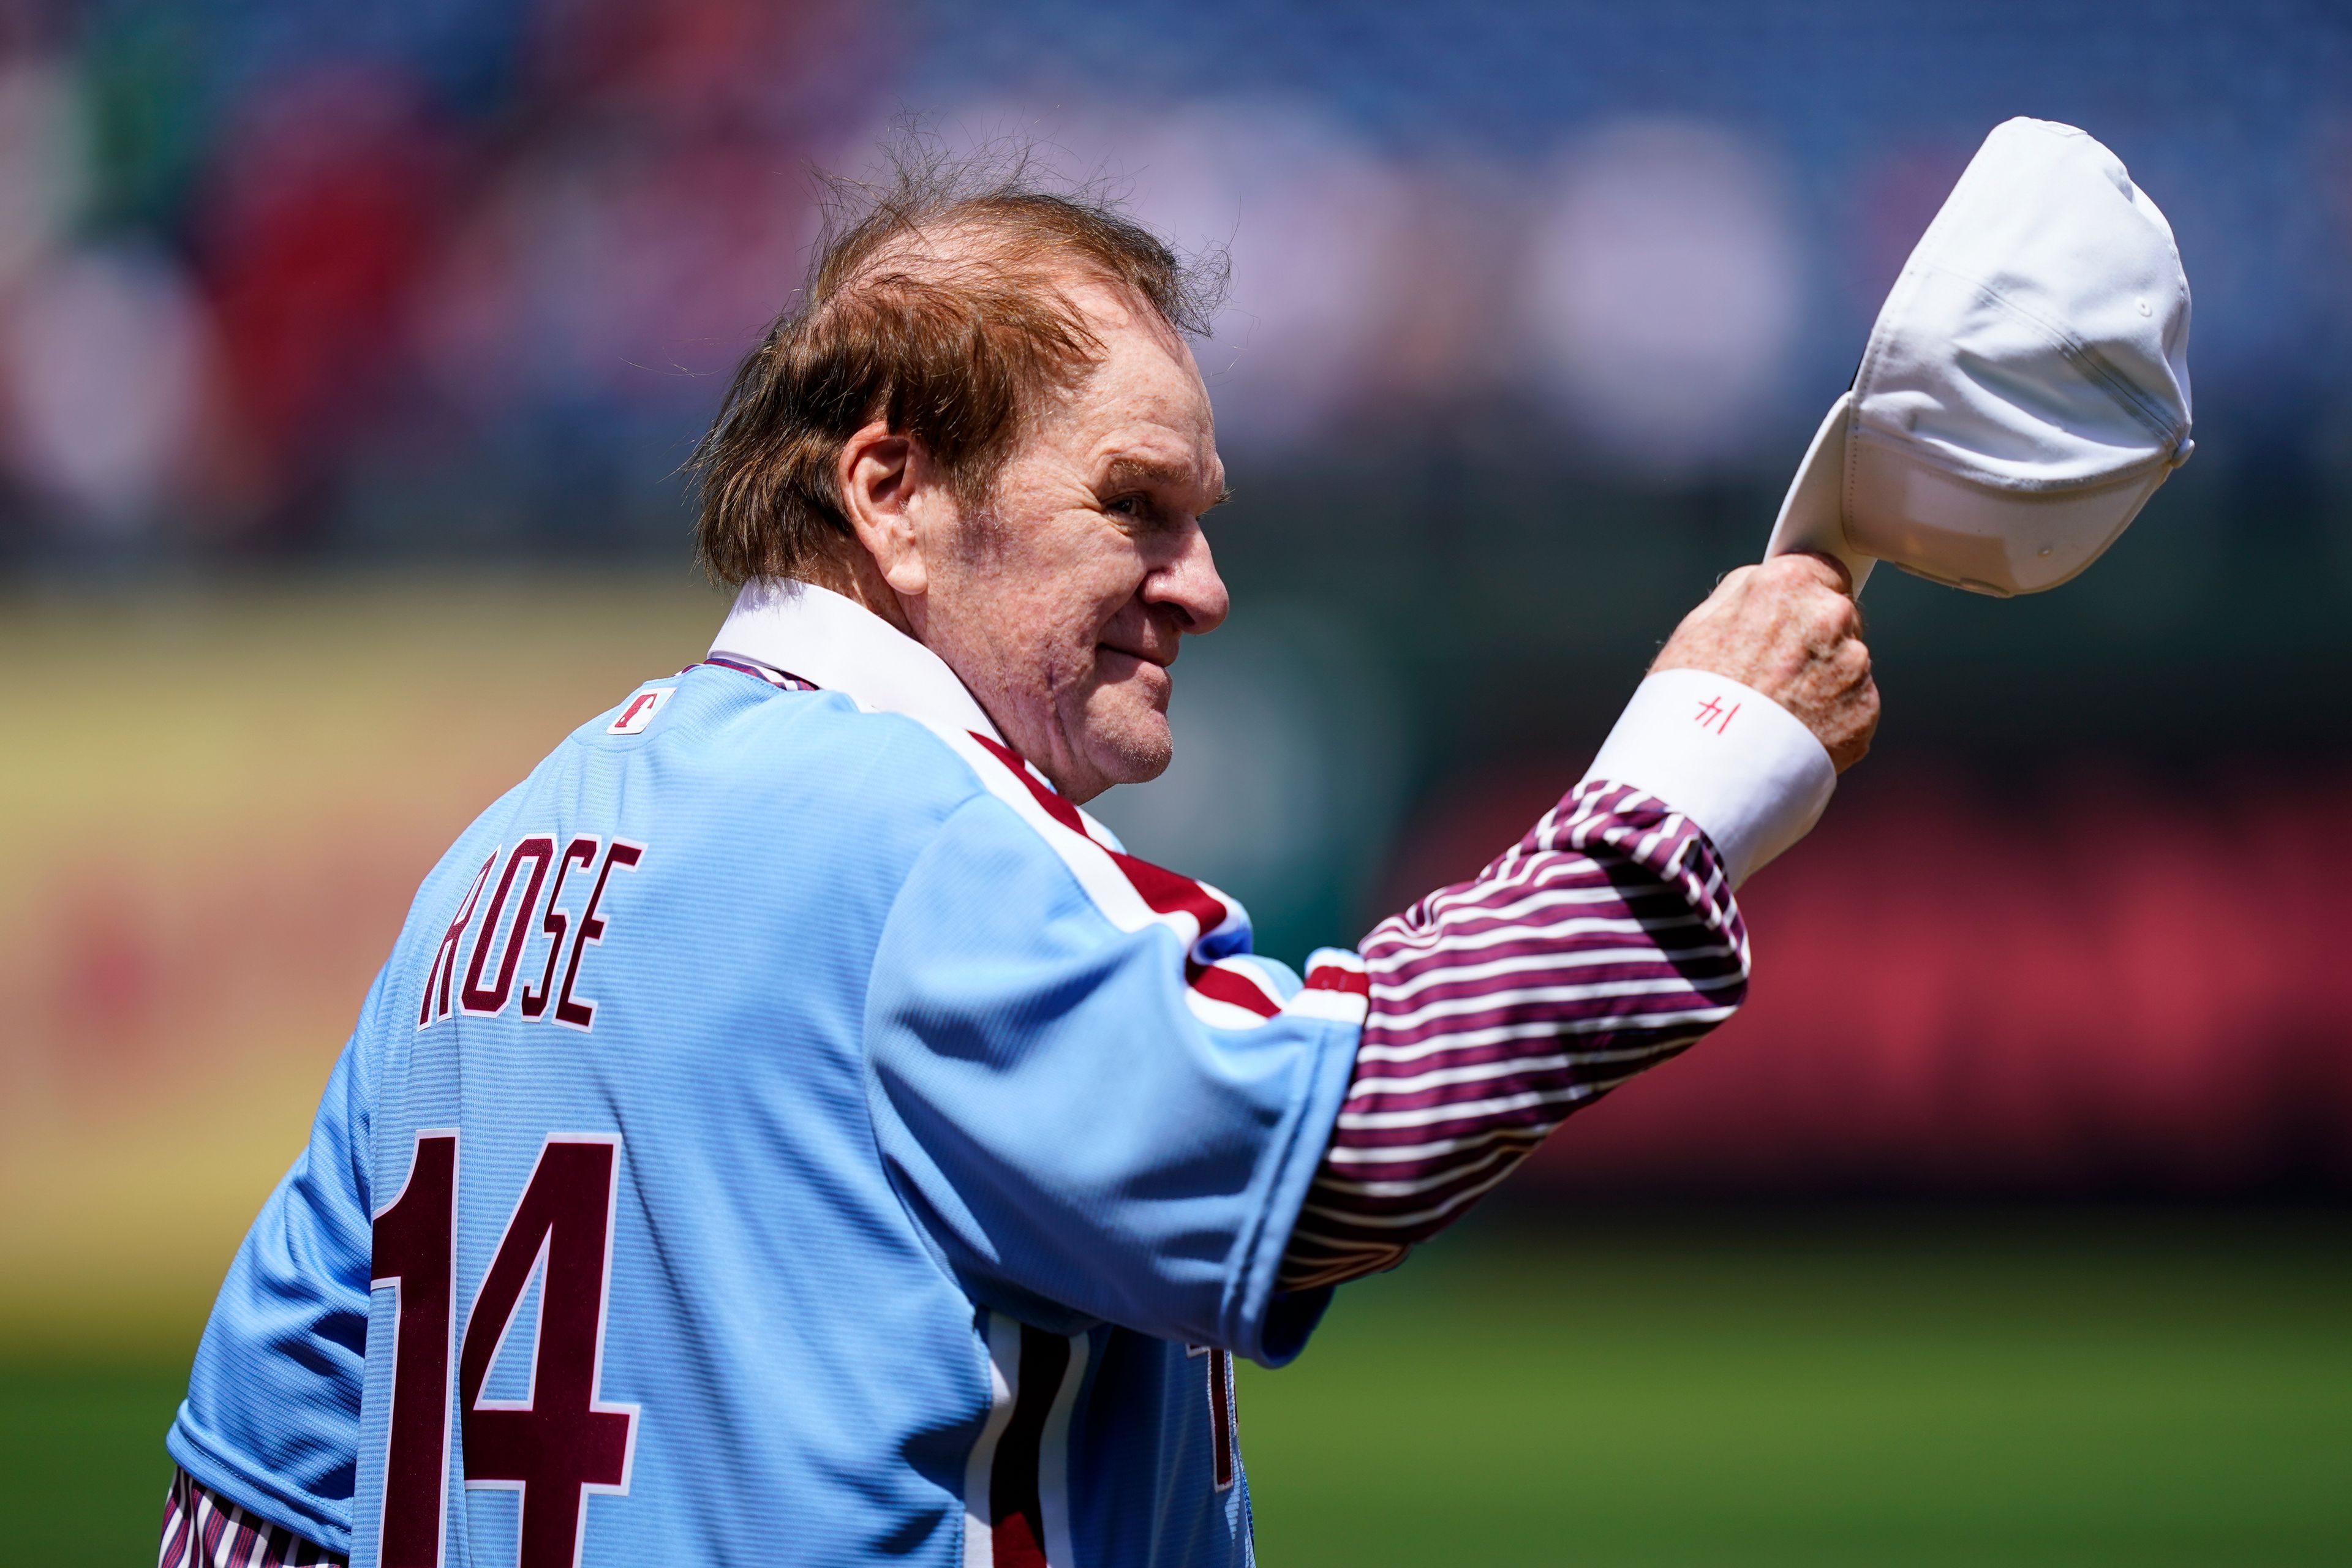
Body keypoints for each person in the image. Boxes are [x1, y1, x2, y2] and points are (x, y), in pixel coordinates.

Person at [159, 149, 1877, 1568]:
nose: (1202, 582)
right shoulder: (908, 839)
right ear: (892, 490)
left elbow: (253, 1500)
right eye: (1139, 505)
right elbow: (1341, 1144)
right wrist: (1689, 779)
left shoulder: (503, 853)